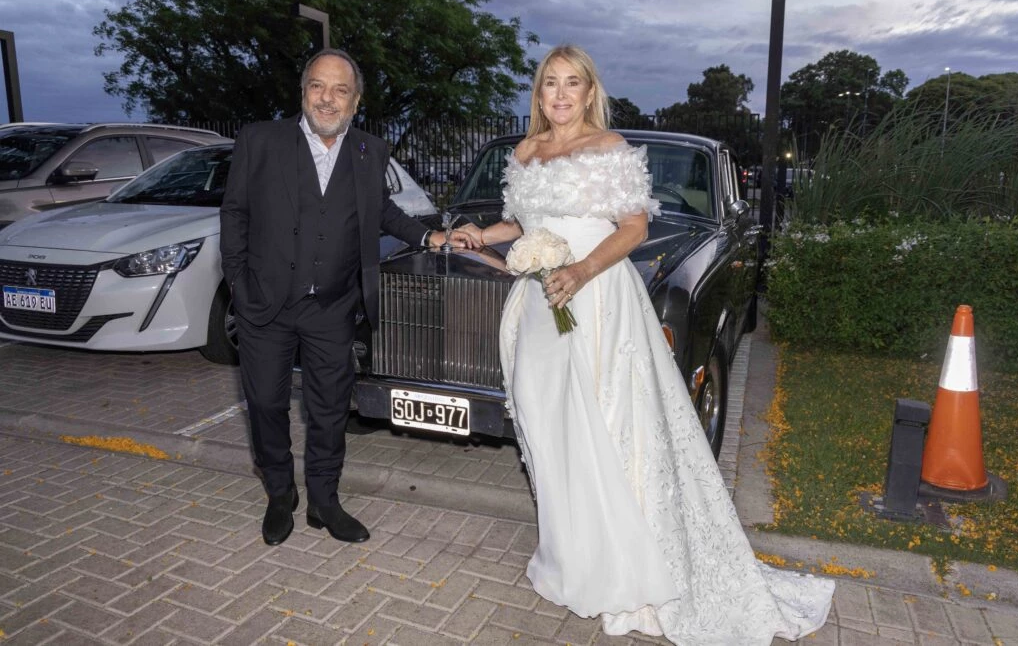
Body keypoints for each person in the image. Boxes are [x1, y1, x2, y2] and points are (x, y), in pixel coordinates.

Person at [458, 45, 835, 644]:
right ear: (539, 93)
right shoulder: (524, 152)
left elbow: (634, 228)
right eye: (549, 83)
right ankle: (572, 554)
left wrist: (580, 271)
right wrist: (484, 233)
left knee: (605, 427)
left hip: (598, 297)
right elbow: (520, 223)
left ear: (589, 93)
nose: (559, 95)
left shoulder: (610, 150)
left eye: (572, 84)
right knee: (549, 428)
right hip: (538, 304)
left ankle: (619, 564)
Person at [220, 48, 467, 547]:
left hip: (332, 306)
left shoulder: (369, 151)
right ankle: (279, 493)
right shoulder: (260, 140)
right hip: (265, 305)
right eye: (317, 86)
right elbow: (234, 214)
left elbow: (382, 211)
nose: (327, 99)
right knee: (266, 404)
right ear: (303, 91)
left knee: (330, 410)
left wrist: (431, 237)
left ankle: (324, 502)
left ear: (355, 101)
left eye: (339, 90)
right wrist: (240, 284)